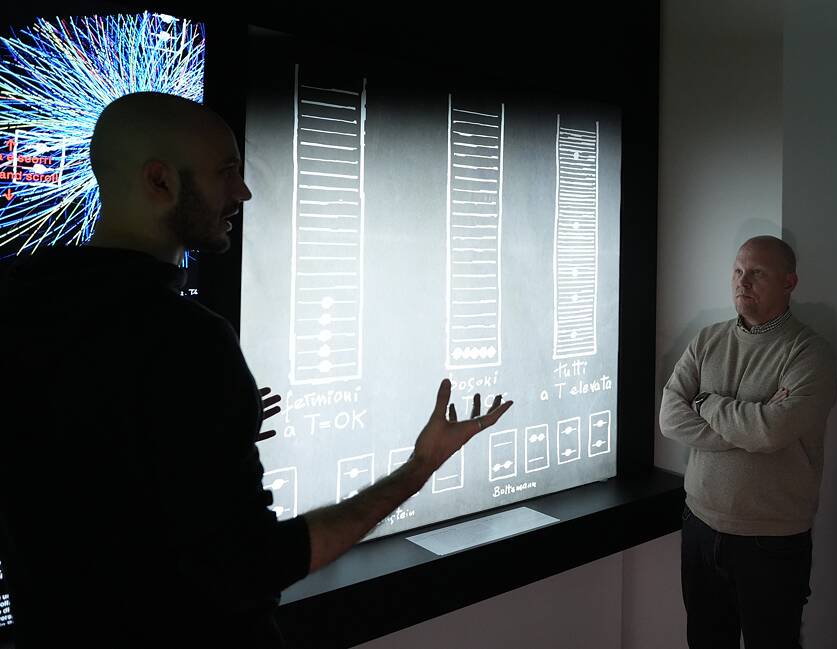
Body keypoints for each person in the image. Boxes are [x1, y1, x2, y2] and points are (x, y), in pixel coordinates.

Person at [0, 92, 512, 648]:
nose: (242, 192)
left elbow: (89, 467)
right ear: (160, 181)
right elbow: (252, 565)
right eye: (227, 173)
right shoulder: (186, 341)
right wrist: (419, 467)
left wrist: (202, 427)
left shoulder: (20, 309)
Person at [659, 235, 837, 649]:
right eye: (738, 271)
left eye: (757, 273)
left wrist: (703, 401)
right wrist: (750, 426)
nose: (743, 281)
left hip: (770, 539)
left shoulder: (809, 353)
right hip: (700, 525)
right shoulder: (708, 340)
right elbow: (670, 417)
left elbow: (773, 431)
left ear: (789, 282)